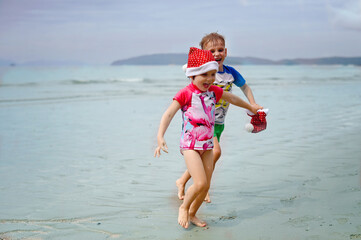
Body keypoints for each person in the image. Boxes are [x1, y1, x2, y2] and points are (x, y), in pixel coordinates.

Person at [154, 47, 262, 229]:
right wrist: (160, 136)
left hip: (207, 145)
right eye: (205, 75)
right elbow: (168, 114)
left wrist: (251, 107)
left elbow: (232, 99)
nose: (210, 79)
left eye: (212, 74)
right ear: (192, 75)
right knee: (201, 182)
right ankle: (184, 207)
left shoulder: (213, 91)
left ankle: (192, 213)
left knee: (205, 186)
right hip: (190, 145)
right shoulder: (185, 93)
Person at [176, 32, 262, 203]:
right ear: (204, 54)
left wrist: (252, 105)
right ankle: (204, 187)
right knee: (216, 152)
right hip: (202, 123)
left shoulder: (231, 73)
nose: (217, 54)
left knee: (206, 155)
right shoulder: (205, 73)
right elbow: (191, 88)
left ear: (226, 51)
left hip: (219, 123)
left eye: (220, 50)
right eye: (212, 51)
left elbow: (245, 88)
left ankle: (184, 181)